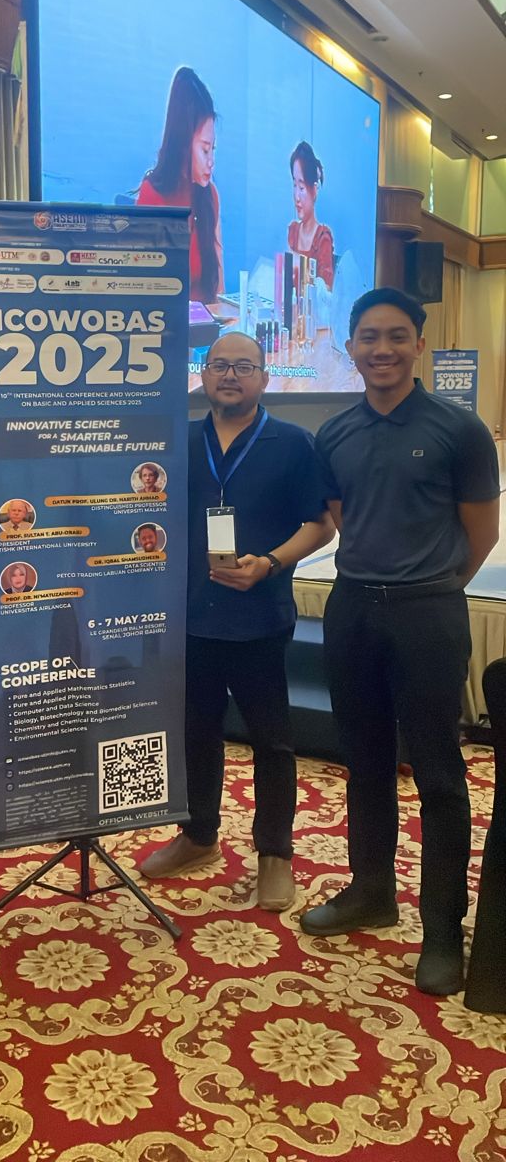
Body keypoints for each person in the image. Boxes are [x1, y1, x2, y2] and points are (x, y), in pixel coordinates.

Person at [300, 287, 500, 996]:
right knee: (364, 763)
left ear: (419, 343)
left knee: (439, 774)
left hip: (428, 615)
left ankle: (442, 929)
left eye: (395, 336)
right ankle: (371, 892)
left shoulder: (459, 429)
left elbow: (482, 534)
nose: (381, 349)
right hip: (353, 610)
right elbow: (343, 517)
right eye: (368, 337)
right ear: (351, 347)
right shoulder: (335, 433)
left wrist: (430, 588)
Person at [139, 331, 334, 908]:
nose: (230, 375)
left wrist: (270, 562)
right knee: (196, 733)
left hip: (259, 616)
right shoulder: (176, 440)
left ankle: (275, 853)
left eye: (244, 366)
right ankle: (198, 836)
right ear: (202, 374)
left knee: (272, 741)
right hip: (189, 615)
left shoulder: (293, 443)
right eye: (219, 364)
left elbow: (320, 525)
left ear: (265, 378)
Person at [137, 66, 224, 306]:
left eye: (213, 149)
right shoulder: (152, 196)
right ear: (184, 144)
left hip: (206, 324)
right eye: (205, 150)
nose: (211, 161)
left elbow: (218, 289)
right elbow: (142, 291)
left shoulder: (210, 196)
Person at [287, 141, 334, 290]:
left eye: (301, 187)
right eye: (294, 185)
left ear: (314, 190)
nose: (296, 196)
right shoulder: (293, 231)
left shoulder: (322, 238)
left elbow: (326, 290)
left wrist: (301, 267)